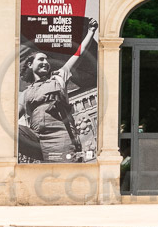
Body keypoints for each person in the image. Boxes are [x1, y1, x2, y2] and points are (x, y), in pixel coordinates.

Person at [18, 24, 98, 162]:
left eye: (47, 60)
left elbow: (79, 53)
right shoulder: (25, 93)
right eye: (41, 59)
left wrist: (91, 31)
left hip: (61, 136)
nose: (45, 62)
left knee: (62, 170)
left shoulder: (59, 77)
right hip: (36, 137)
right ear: (30, 65)